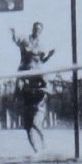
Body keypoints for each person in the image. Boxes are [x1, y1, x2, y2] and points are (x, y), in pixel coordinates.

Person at [10, 22, 56, 153]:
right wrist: (13, 33)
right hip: (25, 71)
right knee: (28, 126)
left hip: (37, 73)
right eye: (35, 28)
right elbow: (16, 40)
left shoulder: (41, 45)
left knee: (35, 123)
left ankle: (44, 141)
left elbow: (42, 60)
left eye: (39, 29)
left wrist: (50, 55)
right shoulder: (26, 40)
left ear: (41, 31)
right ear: (32, 29)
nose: (37, 31)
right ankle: (36, 150)